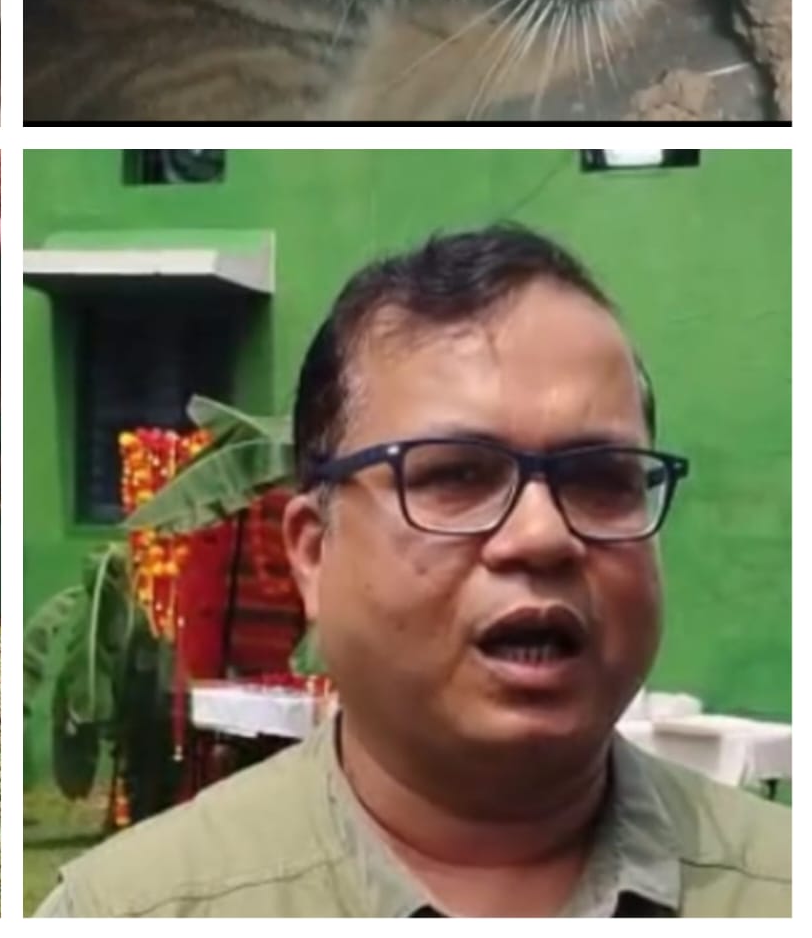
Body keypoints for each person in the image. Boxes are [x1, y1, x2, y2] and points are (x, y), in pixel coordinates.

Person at [39, 225, 792, 917]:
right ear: (311, 550)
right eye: (458, 476)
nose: (543, 536)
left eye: (601, 478)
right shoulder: (135, 911)